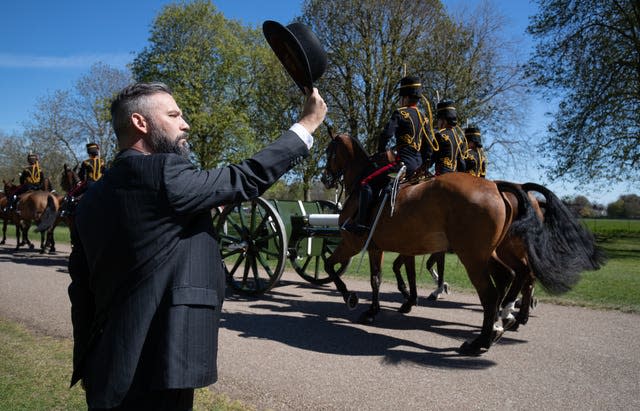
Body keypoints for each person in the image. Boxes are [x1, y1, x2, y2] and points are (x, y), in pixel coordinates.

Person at [67, 82, 327, 410]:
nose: (185, 123)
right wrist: (306, 126)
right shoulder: (162, 173)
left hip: (106, 363)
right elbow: (244, 178)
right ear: (140, 123)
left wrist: (88, 360)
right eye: (174, 114)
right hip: (158, 362)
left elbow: (81, 289)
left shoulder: (91, 197)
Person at [346, 75, 436, 234]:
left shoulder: (400, 113)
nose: (400, 101)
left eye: (401, 97)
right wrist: (424, 165)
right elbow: (429, 148)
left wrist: (381, 151)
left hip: (402, 164)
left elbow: (386, 134)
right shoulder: (425, 118)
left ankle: (361, 224)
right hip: (418, 167)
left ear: (406, 97)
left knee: (366, 182)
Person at [431, 100, 467, 175]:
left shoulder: (439, 135)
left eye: (438, 120)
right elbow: (461, 163)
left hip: (441, 175)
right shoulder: (459, 139)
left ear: (443, 120)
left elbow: (431, 157)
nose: (438, 123)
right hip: (455, 175)